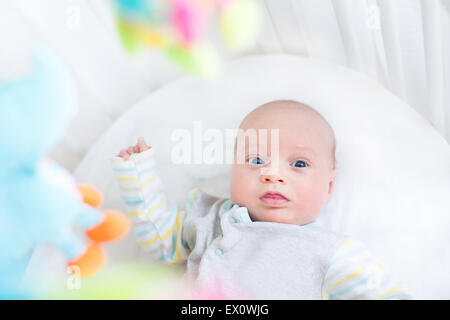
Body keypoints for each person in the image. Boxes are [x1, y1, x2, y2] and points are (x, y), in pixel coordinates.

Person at [110, 100, 412, 299]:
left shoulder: (332, 253)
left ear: (329, 185)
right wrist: (139, 176)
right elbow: (162, 243)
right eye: (256, 159)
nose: (272, 174)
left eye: (299, 164)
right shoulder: (207, 215)